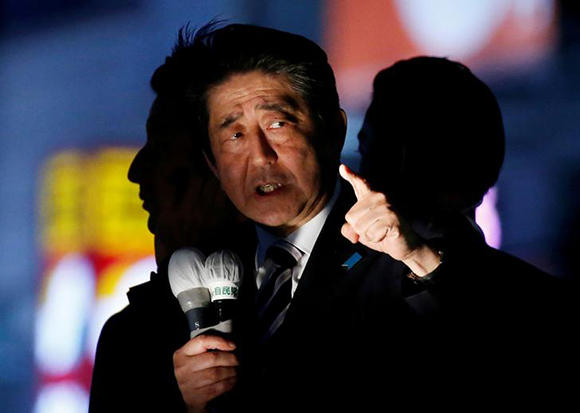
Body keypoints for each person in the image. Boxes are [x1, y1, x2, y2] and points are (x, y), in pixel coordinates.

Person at [169, 23, 447, 412]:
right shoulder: (187, 288)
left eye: (277, 124)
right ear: (212, 164)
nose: (261, 156)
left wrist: (419, 258)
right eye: (234, 136)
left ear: (333, 129)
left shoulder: (407, 245)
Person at [358, 56, 579, 406]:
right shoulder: (336, 267)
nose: (362, 167)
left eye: (371, 145)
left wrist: (423, 261)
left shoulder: (539, 308)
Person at [88, 49, 246, 412]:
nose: (136, 170)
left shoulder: (294, 297)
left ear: (216, 169)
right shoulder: (129, 336)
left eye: (161, 147)